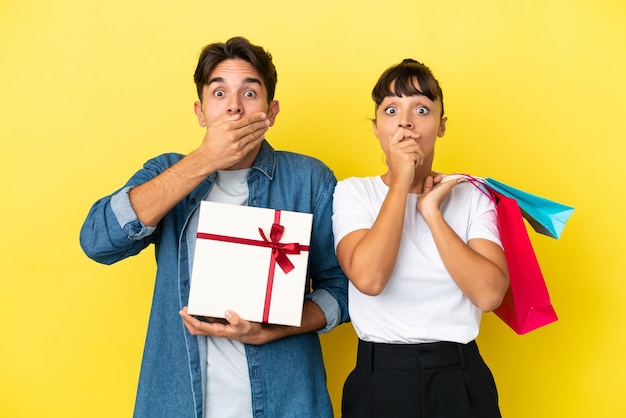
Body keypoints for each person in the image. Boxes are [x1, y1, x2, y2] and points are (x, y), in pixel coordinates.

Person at [80, 36, 348, 418]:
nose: (234, 107)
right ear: (201, 111)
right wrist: (204, 159)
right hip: (178, 403)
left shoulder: (309, 180)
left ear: (271, 112)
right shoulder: (167, 172)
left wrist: (275, 329)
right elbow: (97, 241)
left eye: (249, 93)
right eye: (219, 92)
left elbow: (342, 287)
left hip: (286, 403)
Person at [331, 59, 509, 418]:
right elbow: (369, 279)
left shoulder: (471, 195)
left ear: (441, 126)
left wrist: (432, 214)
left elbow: (489, 294)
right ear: (377, 128)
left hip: (460, 378)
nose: (406, 122)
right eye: (392, 109)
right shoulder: (354, 193)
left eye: (422, 109)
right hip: (380, 380)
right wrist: (400, 183)